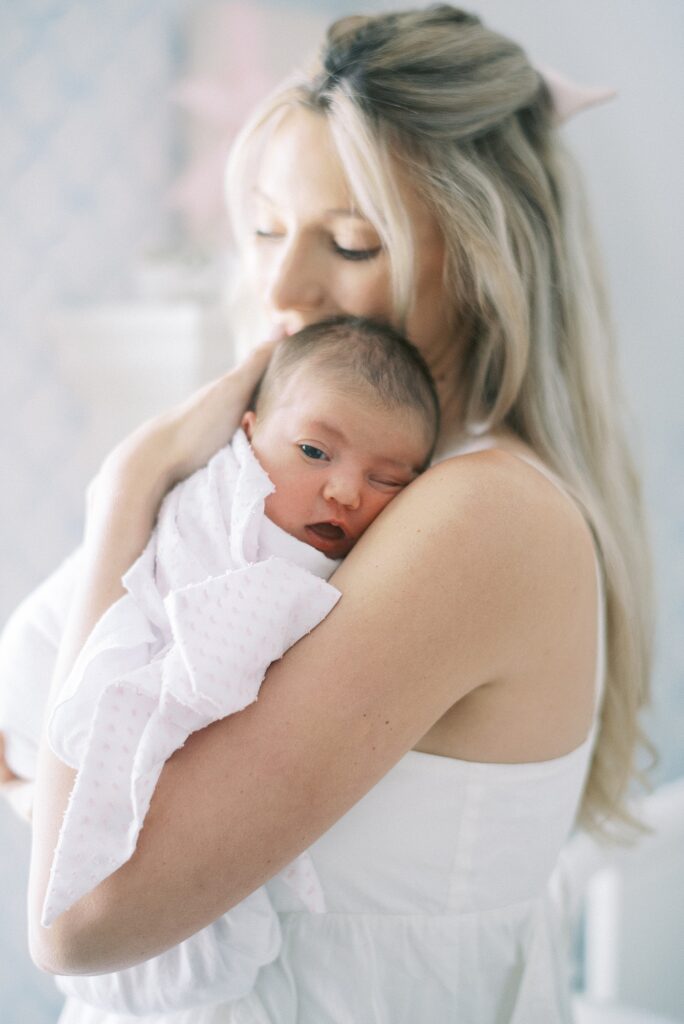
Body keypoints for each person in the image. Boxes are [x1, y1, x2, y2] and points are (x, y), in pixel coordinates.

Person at [17, 5, 652, 1023]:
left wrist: (125, 488)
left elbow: (77, 917)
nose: (280, 286)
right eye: (266, 229)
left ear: (485, 262)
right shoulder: (299, 503)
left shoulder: (482, 517)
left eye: (351, 243)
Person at [0, 315, 438, 1016]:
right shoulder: (220, 505)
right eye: (312, 451)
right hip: (44, 679)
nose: (347, 492)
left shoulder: (365, 559)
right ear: (247, 430)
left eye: (388, 479)